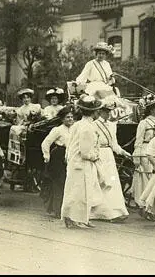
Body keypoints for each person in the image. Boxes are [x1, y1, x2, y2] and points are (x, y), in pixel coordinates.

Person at [61, 95, 104, 229]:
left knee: (77, 191)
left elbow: (70, 145)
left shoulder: (78, 124)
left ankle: (79, 218)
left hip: (75, 162)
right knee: (80, 193)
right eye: (97, 111)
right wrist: (95, 156)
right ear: (93, 112)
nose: (98, 113)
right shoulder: (87, 128)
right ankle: (73, 218)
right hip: (82, 163)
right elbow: (85, 153)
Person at [90, 98, 132, 223]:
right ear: (99, 111)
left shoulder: (112, 126)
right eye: (105, 111)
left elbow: (114, 145)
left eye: (109, 111)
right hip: (99, 154)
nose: (108, 114)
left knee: (112, 182)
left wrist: (124, 153)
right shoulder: (94, 125)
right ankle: (100, 212)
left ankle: (116, 211)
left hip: (109, 155)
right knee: (101, 182)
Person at [131, 93, 155, 212]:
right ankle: (143, 204)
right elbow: (138, 141)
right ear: (150, 109)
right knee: (145, 179)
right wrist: (137, 156)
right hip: (145, 152)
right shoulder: (144, 123)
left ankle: (154, 205)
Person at [40, 105, 75, 218]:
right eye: (67, 117)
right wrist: (47, 156)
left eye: (71, 117)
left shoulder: (75, 129)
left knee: (68, 183)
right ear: (62, 119)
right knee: (59, 183)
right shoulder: (57, 130)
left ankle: (68, 209)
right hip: (58, 157)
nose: (70, 119)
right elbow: (46, 143)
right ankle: (57, 209)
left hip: (71, 157)